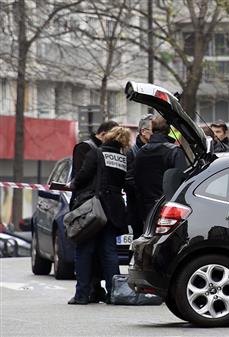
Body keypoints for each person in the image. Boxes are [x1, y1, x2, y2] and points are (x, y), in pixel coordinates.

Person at [67, 127, 132, 305]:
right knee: (109, 251)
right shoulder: (122, 158)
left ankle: (82, 295)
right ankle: (114, 293)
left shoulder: (96, 153)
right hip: (114, 209)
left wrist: (72, 184)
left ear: (108, 136)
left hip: (94, 210)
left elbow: (82, 176)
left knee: (84, 250)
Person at [134, 115, 188, 220]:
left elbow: (136, 181)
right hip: (169, 210)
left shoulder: (140, 152)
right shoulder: (174, 151)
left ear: (153, 129)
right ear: (168, 130)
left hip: (146, 209)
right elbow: (183, 182)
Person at [125, 114, 153, 239]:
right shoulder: (131, 152)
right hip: (137, 206)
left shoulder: (155, 149)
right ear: (143, 131)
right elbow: (128, 179)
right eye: (153, 130)